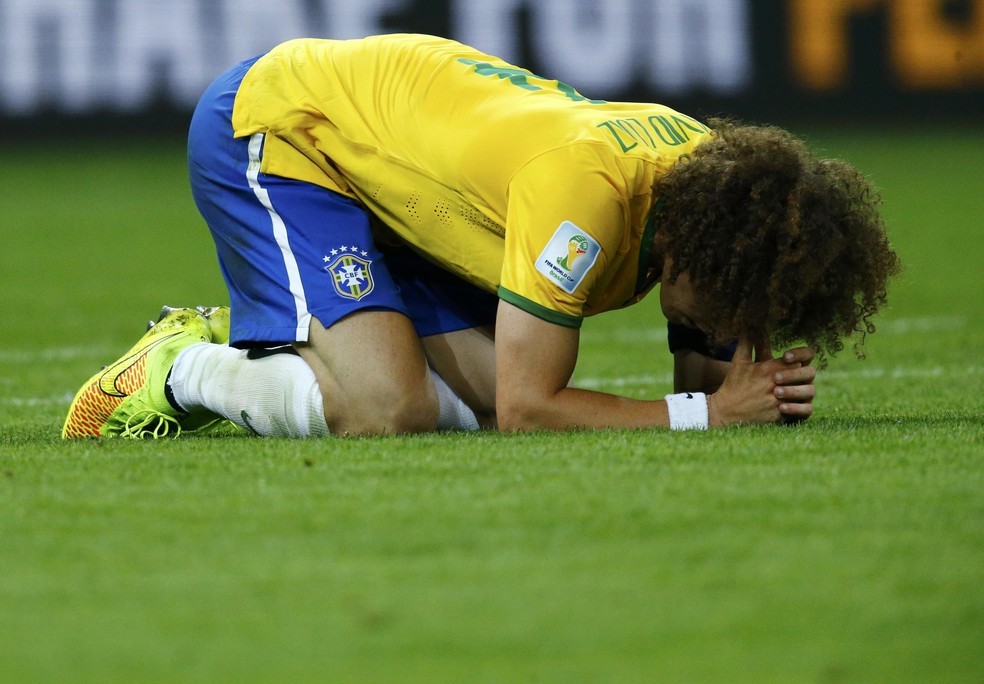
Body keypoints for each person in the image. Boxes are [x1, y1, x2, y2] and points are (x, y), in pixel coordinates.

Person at [62, 33, 900, 439]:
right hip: (287, 132)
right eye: (738, 310)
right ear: (700, 252)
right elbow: (535, 411)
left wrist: (749, 388)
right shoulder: (585, 204)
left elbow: (700, 355)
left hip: (411, 184)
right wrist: (709, 416)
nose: (738, 329)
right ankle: (186, 366)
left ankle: (301, 338)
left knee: (471, 402)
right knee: (389, 411)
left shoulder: (711, 192)